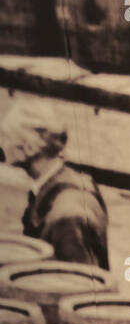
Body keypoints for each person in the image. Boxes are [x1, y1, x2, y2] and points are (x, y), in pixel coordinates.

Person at [0, 99, 109, 269]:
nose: (1, 144)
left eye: (5, 137)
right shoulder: (64, 180)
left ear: (29, 148)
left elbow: (77, 281)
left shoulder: (67, 214)